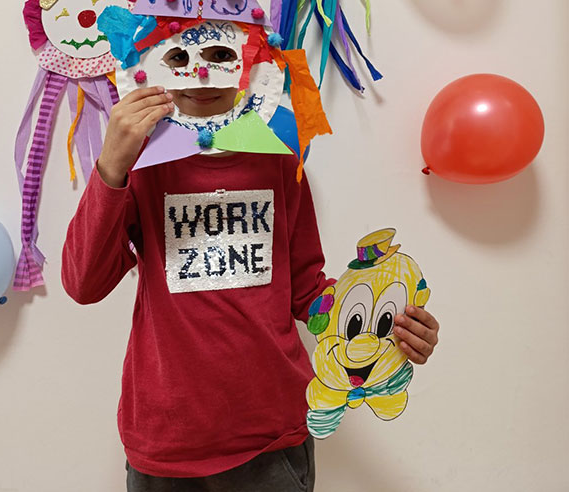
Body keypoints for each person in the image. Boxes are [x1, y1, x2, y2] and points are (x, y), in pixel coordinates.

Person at [61, 81, 440, 491]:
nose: (200, 77)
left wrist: (384, 325)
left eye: (220, 54)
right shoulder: (142, 165)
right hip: (167, 439)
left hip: (272, 439)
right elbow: (84, 283)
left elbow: (307, 290)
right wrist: (111, 166)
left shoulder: (280, 160)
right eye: (181, 59)